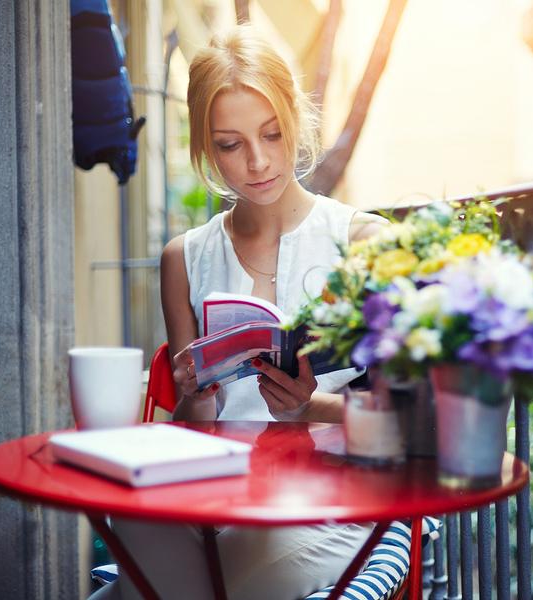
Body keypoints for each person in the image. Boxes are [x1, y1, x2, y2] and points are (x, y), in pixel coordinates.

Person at [97, 25, 387, 600]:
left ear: (295, 121)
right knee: (129, 519)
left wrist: (310, 404)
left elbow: (405, 419)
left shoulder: (363, 242)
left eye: (273, 134)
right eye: (230, 144)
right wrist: (197, 396)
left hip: (330, 502)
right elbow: (191, 429)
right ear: (206, 148)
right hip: (219, 497)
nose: (257, 161)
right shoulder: (184, 259)